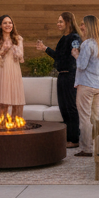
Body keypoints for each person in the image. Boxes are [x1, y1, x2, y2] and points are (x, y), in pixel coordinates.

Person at [37, 12, 82, 148]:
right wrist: (45, 49)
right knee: (63, 107)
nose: (58, 24)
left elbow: (75, 56)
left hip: (70, 76)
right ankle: (68, 138)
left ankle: (74, 139)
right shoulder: (63, 38)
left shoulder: (74, 38)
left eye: (61, 21)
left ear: (68, 22)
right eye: (58, 21)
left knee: (71, 108)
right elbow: (59, 56)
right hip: (62, 76)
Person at [73, 14, 99, 157]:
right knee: (98, 116)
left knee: (85, 117)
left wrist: (76, 55)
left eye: (83, 24)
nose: (81, 27)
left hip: (86, 84)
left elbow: (81, 65)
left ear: (90, 26)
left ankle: (87, 148)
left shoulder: (87, 44)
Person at [0, 15, 26, 118]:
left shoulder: (18, 39)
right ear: (0, 26)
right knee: (3, 102)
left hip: (14, 70)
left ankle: (16, 126)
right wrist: (4, 49)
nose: (8, 25)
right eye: (5, 23)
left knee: (16, 102)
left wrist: (14, 48)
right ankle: (1, 126)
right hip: (2, 71)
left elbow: (20, 57)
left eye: (10, 23)